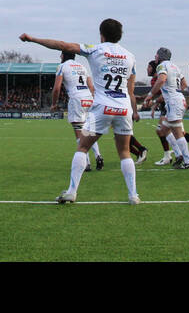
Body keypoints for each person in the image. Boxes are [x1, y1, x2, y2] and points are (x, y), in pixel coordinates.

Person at [21, 19, 142, 204]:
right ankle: (133, 195)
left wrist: (33, 39)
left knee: (83, 147)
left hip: (101, 108)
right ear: (120, 35)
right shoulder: (130, 56)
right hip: (123, 108)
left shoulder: (95, 49)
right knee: (125, 152)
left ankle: (72, 191)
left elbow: (63, 45)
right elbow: (131, 90)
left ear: (101, 35)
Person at [142, 48, 189, 169]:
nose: (155, 57)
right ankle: (180, 155)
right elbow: (184, 84)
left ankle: (187, 160)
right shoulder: (175, 67)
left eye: (156, 55)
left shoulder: (161, 66)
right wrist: (175, 91)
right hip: (179, 99)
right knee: (163, 129)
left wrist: (150, 95)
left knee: (177, 132)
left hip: (174, 101)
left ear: (160, 56)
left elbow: (162, 79)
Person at [51, 49, 103, 170]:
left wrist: (54, 104)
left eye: (61, 54)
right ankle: (98, 155)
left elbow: (57, 88)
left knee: (79, 133)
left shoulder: (62, 66)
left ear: (63, 55)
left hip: (76, 99)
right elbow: (91, 87)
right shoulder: (82, 66)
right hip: (89, 99)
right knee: (89, 132)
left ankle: (87, 163)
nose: (60, 56)